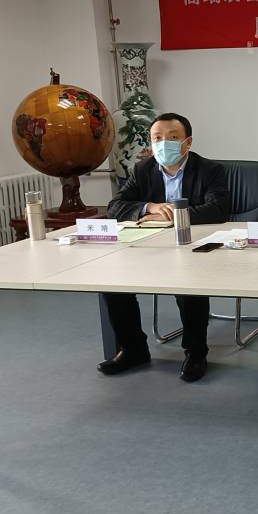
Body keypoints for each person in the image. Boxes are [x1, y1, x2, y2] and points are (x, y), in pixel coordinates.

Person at [97, 113, 230, 383]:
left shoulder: (209, 170)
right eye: (157, 138)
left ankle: (195, 353)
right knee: (114, 284)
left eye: (172, 137)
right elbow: (115, 207)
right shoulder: (143, 170)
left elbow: (218, 209)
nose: (163, 144)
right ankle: (133, 349)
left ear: (187, 142)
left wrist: (173, 216)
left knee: (188, 283)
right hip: (150, 248)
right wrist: (150, 207)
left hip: (193, 245)